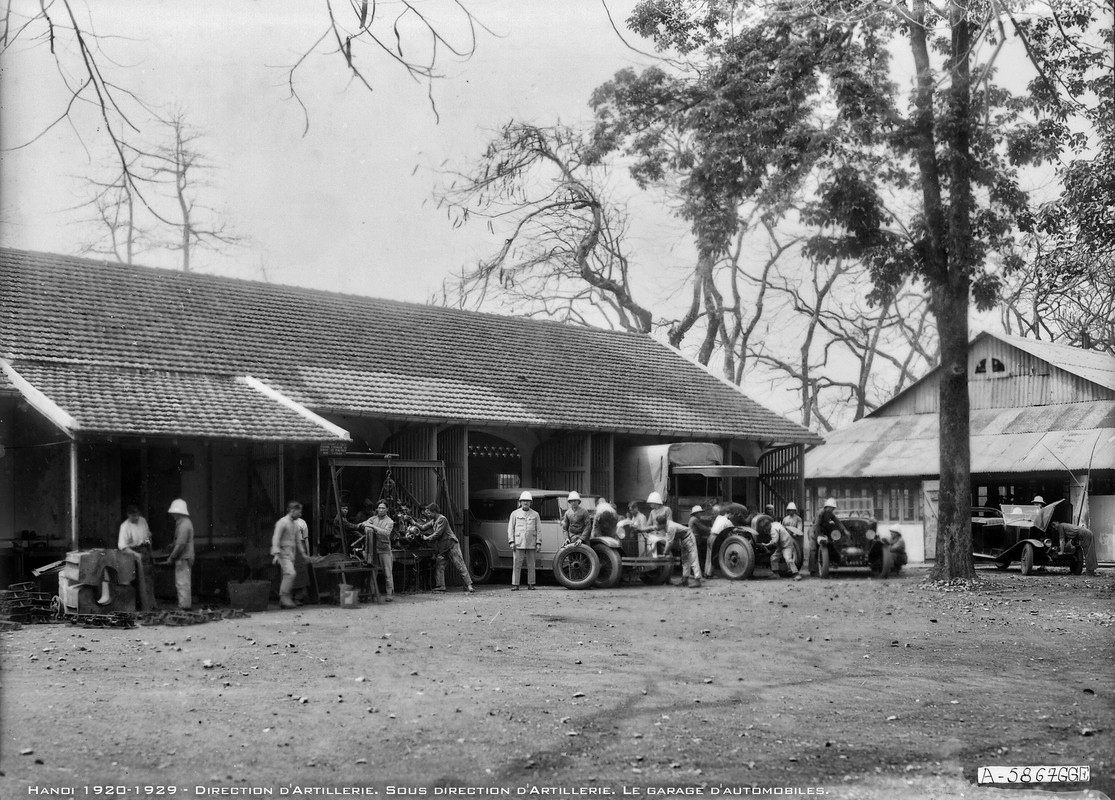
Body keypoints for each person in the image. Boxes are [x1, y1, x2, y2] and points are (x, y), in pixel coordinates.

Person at [418, 503, 475, 594]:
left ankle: (469, 585)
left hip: (451, 545)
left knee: (460, 565)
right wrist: (412, 522)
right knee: (439, 566)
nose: (427, 515)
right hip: (443, 548)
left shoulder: (442, 519)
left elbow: (438, 534)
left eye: (429, 513)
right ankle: (441, 586)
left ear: (434, 512)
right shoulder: (433, 520)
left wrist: (427, 538)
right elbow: (423, 527)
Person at [271, 501, 309, 609]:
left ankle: (284, 598)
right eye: (298, 512)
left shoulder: (295, 525)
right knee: (291, 574)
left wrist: (303, 554)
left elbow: (298, 541)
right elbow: (276, 538)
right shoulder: (282, 523)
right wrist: (276, 554)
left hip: (291, 554)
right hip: (282, 553)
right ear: (292, 511)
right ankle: (284, 597)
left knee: (289, 575)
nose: (300, 515)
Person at [118, 504, 155, 610]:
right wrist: (136, 555)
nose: (135, 518)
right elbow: (123, 547)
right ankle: (141, 607)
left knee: (149, 579)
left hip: (144, 550)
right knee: (137, 581)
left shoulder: (143, 521)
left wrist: (149, 548)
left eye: (137, 515)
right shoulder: (124, 526)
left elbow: (147, 537)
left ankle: (151, 605)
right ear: (128, 515)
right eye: (133, 516)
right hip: (132, 553)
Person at [507, 490, 542, 590]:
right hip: (518, 543)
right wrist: (511, 541)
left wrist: (538, 542)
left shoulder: (535, 515)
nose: (525, 503)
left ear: (531, 502)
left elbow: (538, 529)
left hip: (531, 542)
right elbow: (510, 528)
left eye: (527, 501)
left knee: (531, 564)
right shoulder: (514, 514)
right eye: (523, 501)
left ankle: (531, 584)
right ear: (520, 502)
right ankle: (515, 584)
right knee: (517, 564)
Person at [164, 498, 195, 611]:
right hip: (185, 557)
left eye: (173, 513)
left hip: (183, 558)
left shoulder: (183, 525)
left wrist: (171, 557)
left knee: (182, 583)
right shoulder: (183, 523)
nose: (172, 515)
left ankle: (184, 607)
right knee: (183, 582)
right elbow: (180, 542)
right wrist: (173, 544)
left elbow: (181, 545)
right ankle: (185, 605)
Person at [363, 501, 396, 601]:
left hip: (384, 550)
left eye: (383, 508)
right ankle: (371, 594)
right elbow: (365, 523)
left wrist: (373, 527)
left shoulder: (389, 521)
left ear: (387, 509)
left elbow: (385, 533)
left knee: (387, 573)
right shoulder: (373, 518)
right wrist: (368, 526)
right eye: (379, 508)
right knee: (373, 572)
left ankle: (389, 594)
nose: (380, 510)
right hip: (373, 550)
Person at [812, 498, 849, 576]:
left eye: (833, 508)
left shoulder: (830, 513)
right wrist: (819, 536)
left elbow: (837, 521)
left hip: (823, 529)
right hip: (814, 530)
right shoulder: (820, 512)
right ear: (827, 507)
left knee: (832, 542)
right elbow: (817, 525)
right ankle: (812, 570)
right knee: (813, 548)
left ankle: (833, 560)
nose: (832, 509)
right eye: (831, 508)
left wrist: (844, 530)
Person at [703, 507, 735, 579]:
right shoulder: (728, 522)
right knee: (713, 556)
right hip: (715, 537)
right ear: (730, 514)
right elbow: (734, 529)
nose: (732, 517)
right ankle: (709, 574)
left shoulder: (719, 517)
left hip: (710, 536)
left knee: (708, 555)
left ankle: (706, 572)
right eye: (732, 515)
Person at [767, 517, 802, 581]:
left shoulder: (773, 529)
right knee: (773, 558)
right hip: (782, 545)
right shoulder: (775, 524)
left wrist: (768, 544)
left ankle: (796, 574)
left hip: (786, 544)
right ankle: (776, 574)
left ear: (768, 525)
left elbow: (775, 541)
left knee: (788, 559)